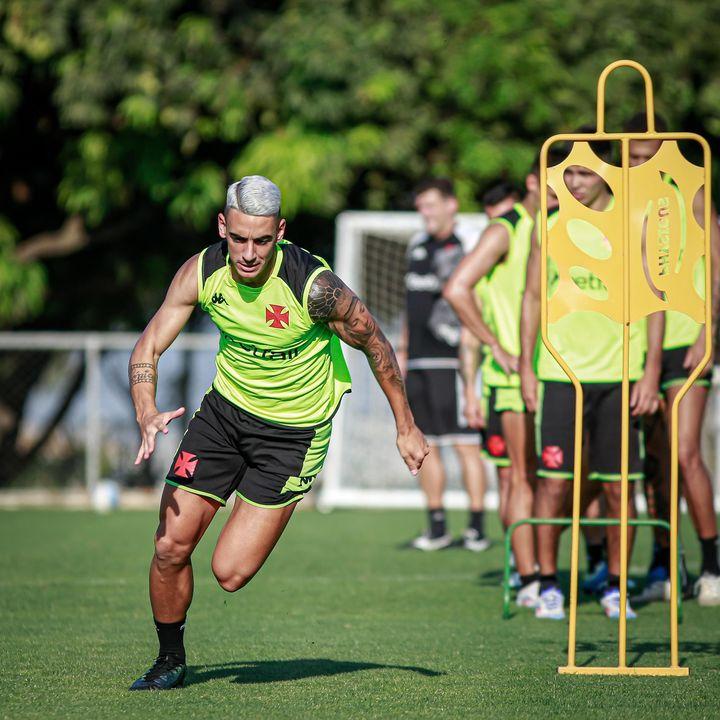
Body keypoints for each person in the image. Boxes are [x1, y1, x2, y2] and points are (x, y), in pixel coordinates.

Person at [127, 176, 428, 690]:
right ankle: (169, 661)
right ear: (223, 226)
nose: (248, 253)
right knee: (170, 547)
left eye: (262, 241)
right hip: (223, 416)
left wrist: (406, 425)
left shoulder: (314, 287)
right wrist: (146, 408)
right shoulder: (201, 272)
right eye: (239, 238)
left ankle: (262, 503)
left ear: (279, 233)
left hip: (293, 435)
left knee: (230, 572)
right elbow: (148, 346)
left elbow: (376, 345)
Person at [519, 138, 663, 620]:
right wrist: (524, 366)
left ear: (607, 172)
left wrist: (652, 371)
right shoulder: (550, 227)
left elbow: (655, 301)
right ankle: (544, 583)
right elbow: (532, 298)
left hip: (620, 376)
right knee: (555, 484)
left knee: (621, 488)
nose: (575, 182)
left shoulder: (636, 223)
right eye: (568, 173)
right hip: (559, 374)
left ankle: (617, 587)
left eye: (583, 172)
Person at [445, 158, 559, 608]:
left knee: (551, 479)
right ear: (532, 181)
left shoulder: (561, 224)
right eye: (556, 181)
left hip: (557, 372)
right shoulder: (506, 228)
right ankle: (531, 578)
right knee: (519, 478)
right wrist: (497, 346)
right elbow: (457, 288)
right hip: (514, 378)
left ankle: (540, 571)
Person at [625, 112, 720, 606]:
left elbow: (717, 267)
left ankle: (712, 564)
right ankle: (665, 563)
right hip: (635, 353)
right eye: (632, 157)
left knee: (685, 455)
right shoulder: (624, 202)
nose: (640, 164)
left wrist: (709, 332)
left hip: (685, 347)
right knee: (653, 463)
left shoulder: (692, 195)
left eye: (648, 155)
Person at [396, 178, 489, 551]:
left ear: (451, 205)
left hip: (452, 361)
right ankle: (437, 527)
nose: (425, 213)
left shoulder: (467, 245)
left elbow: (474, 303)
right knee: (426, 445)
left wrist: (471, 365)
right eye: (421, 207)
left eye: (431, 205)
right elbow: (409, 305)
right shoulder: (417, 246)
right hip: (417, 361)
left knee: (466, 445)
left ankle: (477, 527)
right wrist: (401, 351)